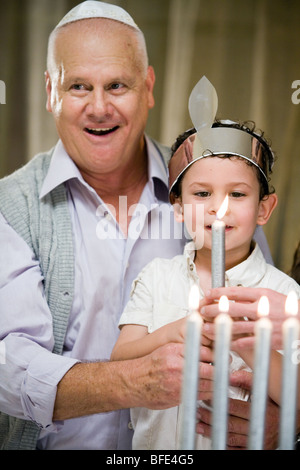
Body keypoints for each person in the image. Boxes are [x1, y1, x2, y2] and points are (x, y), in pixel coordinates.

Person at [0, 1, 276, 451]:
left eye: (117, 85)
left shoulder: (215, 188)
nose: (99, 107)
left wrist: (284, 413)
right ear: (50, 91)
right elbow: (8, 362)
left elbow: (265, 316)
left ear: (147, 87)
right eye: (78, 87)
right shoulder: (9, 206)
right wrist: (136, 381)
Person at [111, 77, 300, 449]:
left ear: (264, 209)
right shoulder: (157, 277)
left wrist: (248, 342)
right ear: (178, 209)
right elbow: (120, 359)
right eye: (201, 194)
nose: (218, 207)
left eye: (237, 194)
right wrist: (175, 331)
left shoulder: (284, 294)